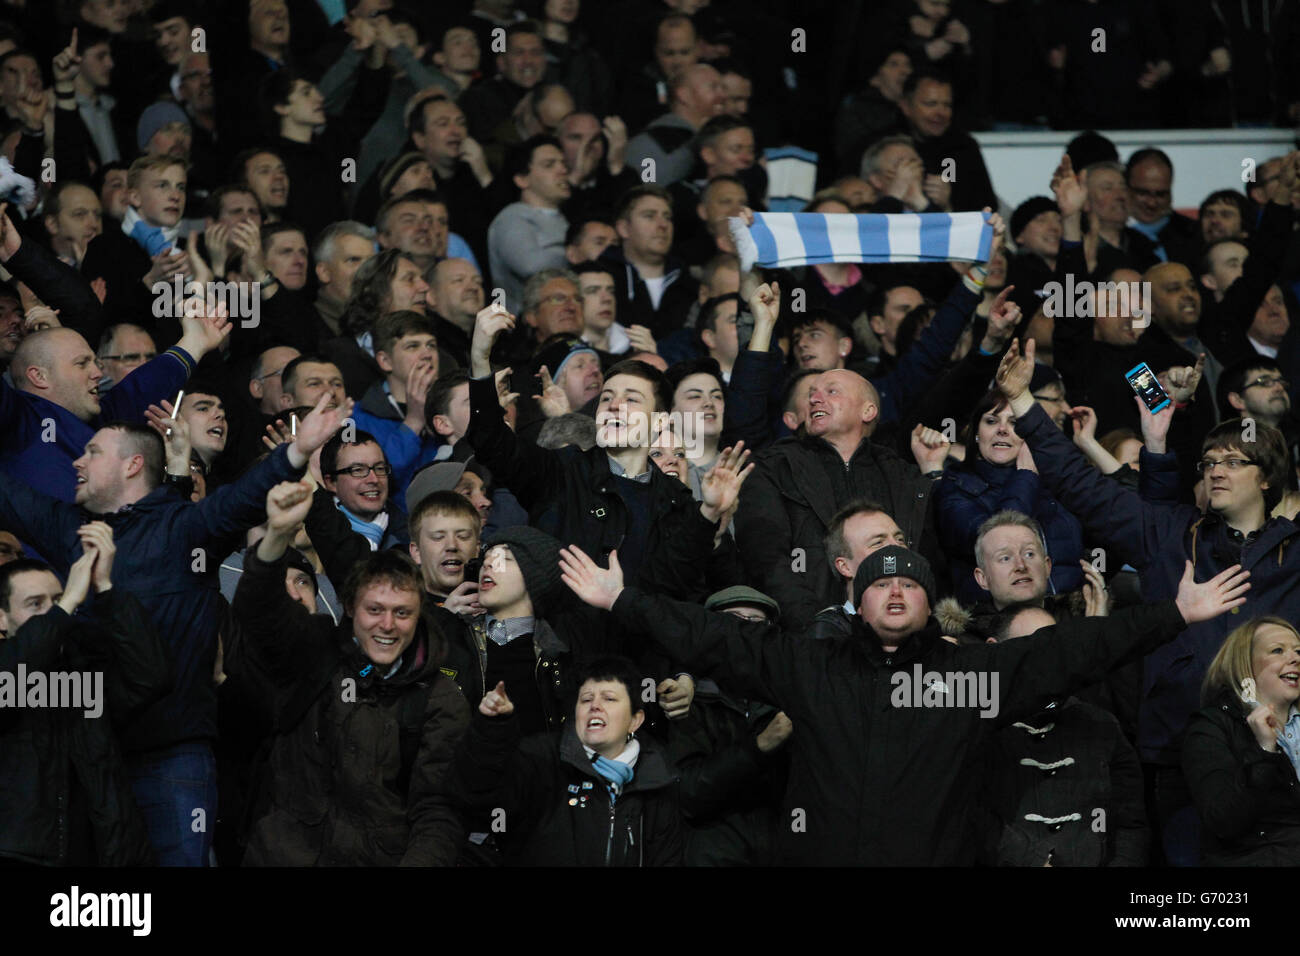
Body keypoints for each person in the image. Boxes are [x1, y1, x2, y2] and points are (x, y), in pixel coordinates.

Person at [560, 541, 1251, 865]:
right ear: (856, 602)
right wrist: (623, 599)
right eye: (880, 585)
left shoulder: (972, 676)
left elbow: (1071, 651)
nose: (895, 593)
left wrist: (1174, 615)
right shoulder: (809, 666)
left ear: (930, 603)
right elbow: (714, 639)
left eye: (910, 585)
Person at [0, 391, 354, 865]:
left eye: (92, 452)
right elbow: (7, 494)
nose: (76, 462)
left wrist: (296, 452)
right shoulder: (71, 530)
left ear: (131, 465)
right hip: (89, 758)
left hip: (171, 757)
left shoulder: (184, 529)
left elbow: (242, 498)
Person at [995, 335, 1300, 866]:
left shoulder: (1295, 555)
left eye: (1234, 461)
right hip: (1180, 749)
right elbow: (1077, 484)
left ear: (1268, 478)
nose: (1216, 471)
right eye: (1208, 463)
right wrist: (1023, 404)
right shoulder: (1169, 533)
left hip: (1282, 753)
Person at [231, 480, 468, 866]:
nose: (387, 625)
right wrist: (276, 537)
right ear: (350, 610)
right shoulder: (315, 649)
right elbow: (257, 610)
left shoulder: (439, 696)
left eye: (402, 613)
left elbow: (439, 809)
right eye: (374, 610)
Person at [0, 529, 171, 866]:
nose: (56, 611)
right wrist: (63, 609)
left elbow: (151, 677)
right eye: (36, 604)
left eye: (58, 598)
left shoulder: (84, 666)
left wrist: (105, 587)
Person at [449, 655, 682, 866]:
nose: (595, 706)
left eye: (609, 699)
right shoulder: (541, 760)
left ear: (635, 720)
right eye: (586, 699)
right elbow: (478, 793)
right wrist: (493, 729)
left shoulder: (657, 781)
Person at [977, 602, 1148, 866]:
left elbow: (1130, 823)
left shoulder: (1101, 725)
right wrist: (1029, 860)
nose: (1046, 663)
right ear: (994, 650)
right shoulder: (972, 732)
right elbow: (967, 817)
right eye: (1031, 649)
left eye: (1055, 649)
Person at [935, 388, 1084, 603]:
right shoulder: (954, 485)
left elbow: (1111, 534)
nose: (1002, 430)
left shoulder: (1055, 482)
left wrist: (1088, 444)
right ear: (977, 433)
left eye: (1014, 422)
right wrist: (1026, 477)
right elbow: (998, 539)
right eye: (991, 421)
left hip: (1066, 615)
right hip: (996, 620)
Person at [1183, 616, 1300, 865]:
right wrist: (1263, 750)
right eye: (1278, 650)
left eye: (1298, 651)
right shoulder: (1210, 727)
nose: (1295, 658)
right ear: (1244, 666)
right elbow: (1223, 821)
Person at [487, 135, 571, 312]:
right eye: (549, 165)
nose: (562, 170)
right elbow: (532, 266)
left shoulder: (567, 219)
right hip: (525, 328)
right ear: (521, 179)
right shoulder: (512, 218)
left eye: (563, 163)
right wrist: (575, 253)